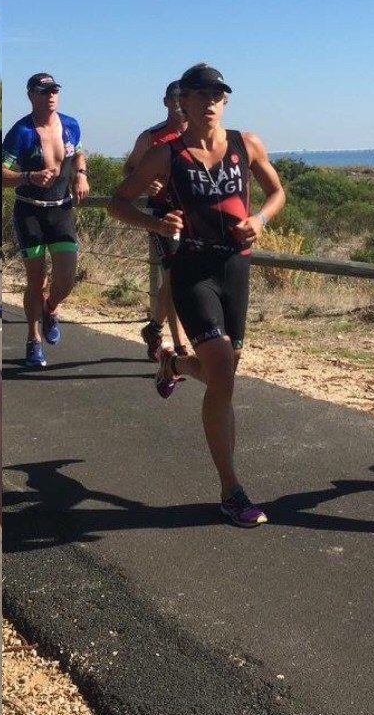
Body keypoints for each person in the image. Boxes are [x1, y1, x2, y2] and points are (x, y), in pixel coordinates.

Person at [108, 63, 285, 528]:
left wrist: (260, 220)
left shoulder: (247, 144)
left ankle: (174, 364)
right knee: (222, 372)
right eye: (201, 93)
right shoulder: (167, 153)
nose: (210, 102)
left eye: (218, 94)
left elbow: (277, 192)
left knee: (223, 372)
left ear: (225, 101)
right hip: (193, 269)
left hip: (236, 268)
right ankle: (231, 490)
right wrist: (156, 222)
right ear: (182, 100)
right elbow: (118, 203)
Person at [1, 72, 89, 368]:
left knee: (66, 279)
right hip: (30, 212)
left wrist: (81, 174)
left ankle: (51, 307)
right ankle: (33, 339)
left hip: (61, 210)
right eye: (44, 91)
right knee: (35, 279)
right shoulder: (21, 131)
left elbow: (78, 153)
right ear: (31, 95)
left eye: (54, 91)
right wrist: (29, 176)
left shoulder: (71, 125)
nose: (51, 96)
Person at [123, 80, 190, 360]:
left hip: (194, 215)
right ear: (165, 102)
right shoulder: (152, 137)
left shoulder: (200, 135)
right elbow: (129, 169)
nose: (179, 102)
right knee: (175, 277)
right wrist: (146, 182)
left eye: (184, 96)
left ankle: (154, 328)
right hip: (162, 215)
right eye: (174, 97)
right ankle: (180, 349)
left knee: (178, 279)